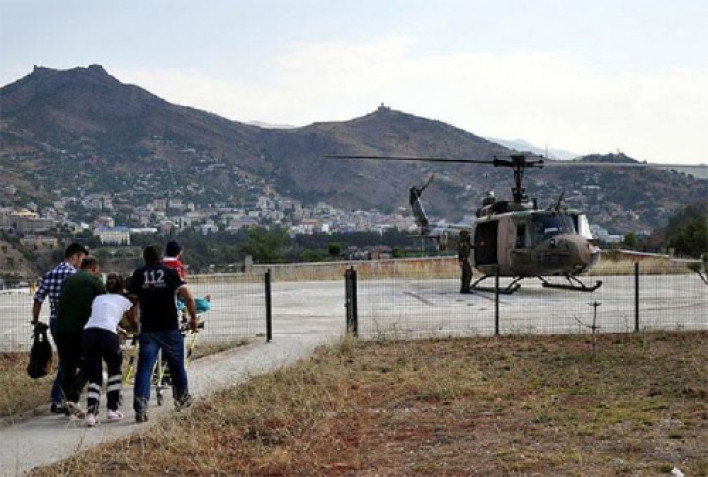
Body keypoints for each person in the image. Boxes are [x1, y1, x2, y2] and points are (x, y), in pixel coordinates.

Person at [130, 245, 198, 423]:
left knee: (144, 369)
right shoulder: (170, 273)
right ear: (161, 258)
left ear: (144, 258)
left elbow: (132, 302)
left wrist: (135, 322)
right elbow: (188, 296)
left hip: (148, 328)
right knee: (176, 365)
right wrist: (193, 318)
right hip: (169, 327)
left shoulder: (138, 274)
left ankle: (140, 408)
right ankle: (181, 398)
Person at [31, 242, 88, 413]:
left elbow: (38, 299)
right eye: (82, 259)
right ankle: (63, 396)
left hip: (55, 321)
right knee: (75, 360)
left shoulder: (50, 274)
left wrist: (36, 321)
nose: (82, 263)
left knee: (66, 358)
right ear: (76, 256)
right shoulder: (76, 276)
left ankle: (61, 397)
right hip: (73, 322)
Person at [82, 273, 136, 427]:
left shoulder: (98, 299)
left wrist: (117, 327)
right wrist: (135, 330)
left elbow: (102, 316)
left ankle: (91, 413)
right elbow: (132, 321)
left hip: (89, 333)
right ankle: (112, 409)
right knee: (114, 371)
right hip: (108, 336)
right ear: (121, 287)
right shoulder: (125, 301)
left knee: (95, 375)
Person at [55, 256, 106, 417]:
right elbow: (105, 300)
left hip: (61, 329)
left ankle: (69, 401)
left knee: (67, 365)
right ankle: (73, 395)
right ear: (94, 268)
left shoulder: (67, 281)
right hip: (81, 330)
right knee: (90, 364)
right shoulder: (93, 280)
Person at [162, 240, 211, 315]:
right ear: (179, 252)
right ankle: (188, 311)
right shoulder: (178, 266)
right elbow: (183, 289)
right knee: (204, 305)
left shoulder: (159, 263)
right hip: (175, 299)